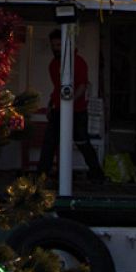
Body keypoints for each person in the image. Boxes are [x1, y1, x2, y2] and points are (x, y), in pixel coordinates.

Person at [36, 28, 105, 183]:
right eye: (54, 45)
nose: (56, 48)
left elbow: (82, 85)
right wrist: (51, 104)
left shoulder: (78, 62)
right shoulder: (53, 64)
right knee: (49, 143)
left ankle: (97, 174)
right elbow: (57, 87)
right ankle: (40, 177)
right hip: (59, 109)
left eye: (59, 45)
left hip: (77, 110)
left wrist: (71, 101)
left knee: (82, 142)